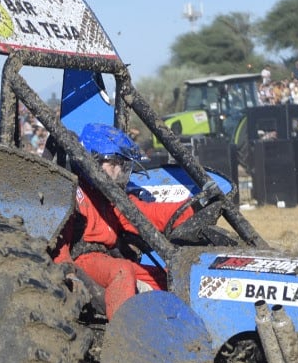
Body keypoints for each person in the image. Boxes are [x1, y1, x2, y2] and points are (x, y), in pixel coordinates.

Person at [55, 123, 199, 318]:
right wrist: (66, 271)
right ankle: (120, 338)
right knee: (121, 271)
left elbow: (145, 215)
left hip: (106, 258)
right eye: (114, 164)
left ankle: (170, 329)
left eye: (123, 166)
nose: (119, 172)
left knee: (166, 277)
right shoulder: (72, 193)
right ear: (92, 160)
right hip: (84, 258)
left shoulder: (111, 197)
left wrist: (192, 209)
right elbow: (60, 239)